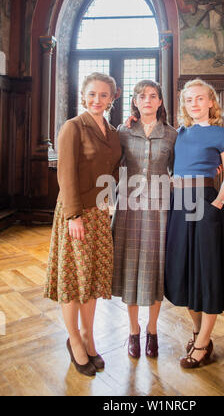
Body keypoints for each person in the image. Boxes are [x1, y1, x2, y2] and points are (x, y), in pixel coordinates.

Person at [44, 73, 122, 376]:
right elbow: (65, 174)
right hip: (75, 213)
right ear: (83, 95)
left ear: (113, 98)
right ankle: (74, 339)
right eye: (92, 94)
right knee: (73, 279)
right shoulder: (73, 127)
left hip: (101, 212)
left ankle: (90, 338)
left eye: (104, 95)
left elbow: (115, 170)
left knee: (91, 279)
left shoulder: (114, 132)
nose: (97, 100)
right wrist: (74, 216)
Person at [164, 78, 224, 368]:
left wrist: (217, 204)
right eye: (188, 99)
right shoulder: (179, 134)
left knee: (207, 273)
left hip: (206, 203)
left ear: (210, 102)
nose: (193, 103)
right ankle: (197, 333)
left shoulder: (222, 134)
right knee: (182, 272)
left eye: (199, 98)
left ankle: (203, 343)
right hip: (178, 206)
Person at [112, 80, 177, 359]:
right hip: (128, 206)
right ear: (135, 102)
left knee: (155, 266)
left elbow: (180, 167)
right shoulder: (122, 132)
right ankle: (133, 331)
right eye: (142, 96)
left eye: (153, 96)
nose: (148, 100)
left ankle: (152, 330)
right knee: (130, 266)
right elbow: (110, 164)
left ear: (160, 102)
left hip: (160, 209)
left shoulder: (172, 135)